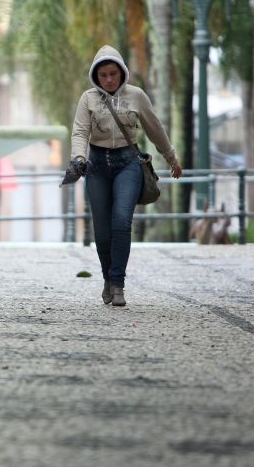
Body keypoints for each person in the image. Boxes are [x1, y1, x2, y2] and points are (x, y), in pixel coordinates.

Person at [68, 44, 182, 306]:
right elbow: (80, 132)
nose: (108, 80)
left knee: (121, 222)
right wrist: (78, 158)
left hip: (128, 164)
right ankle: (107, 278)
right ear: (96, 76)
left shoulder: (137, 96)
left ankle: (118, 284)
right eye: (103, 75)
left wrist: (171, 158)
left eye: (113, 74)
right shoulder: (88, 99)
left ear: (122, 73)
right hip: (96, 166)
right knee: (103, 231)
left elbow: (155, 129)